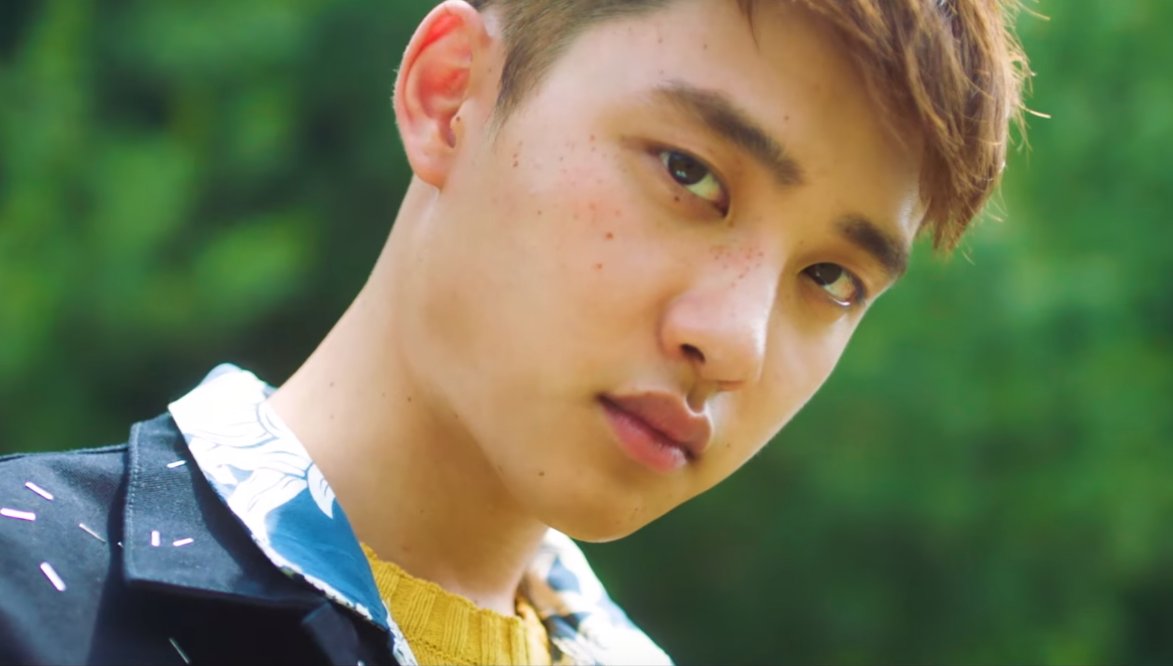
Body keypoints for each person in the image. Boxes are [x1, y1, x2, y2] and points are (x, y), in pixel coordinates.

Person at [0, 0, 1029, 664]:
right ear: (450, 96)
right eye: (689, 174)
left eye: (830, 279)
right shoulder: (33, 596)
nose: (736, 343)